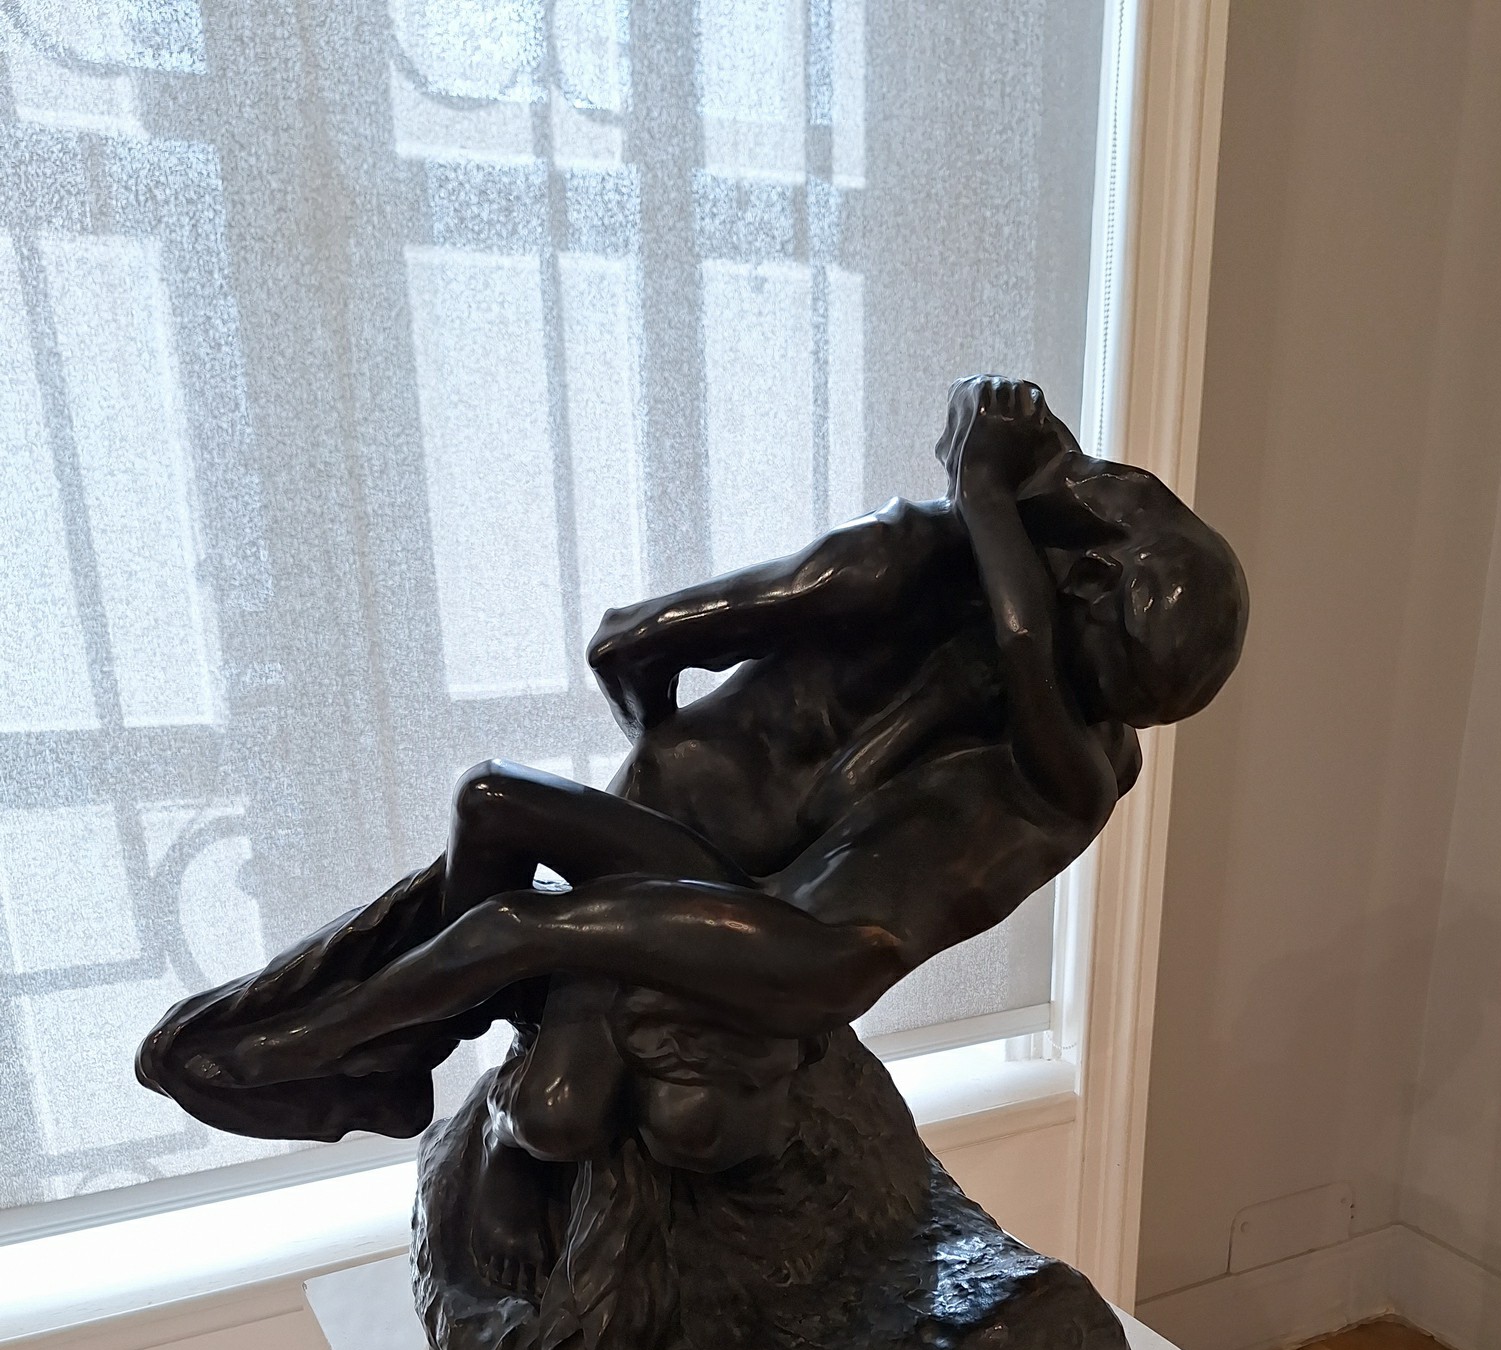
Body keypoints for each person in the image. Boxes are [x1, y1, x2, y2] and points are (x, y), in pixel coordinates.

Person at [143, 377, 1246, 1219]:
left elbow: (636, 647)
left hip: (805, 954)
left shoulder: (1076, 772)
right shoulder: (905, 577)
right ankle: (392, 1059)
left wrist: (983, 486)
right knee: (492, 814)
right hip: (716, 877)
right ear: (1089, 583)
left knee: (571, 1069)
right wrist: (672, 783)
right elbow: (632, 642)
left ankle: (319, 1046)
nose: (1108, 717)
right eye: (1111, 683)